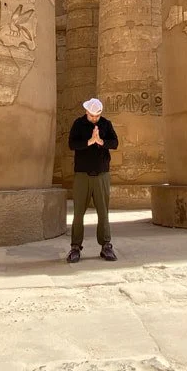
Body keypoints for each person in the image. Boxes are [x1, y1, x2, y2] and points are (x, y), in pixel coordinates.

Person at [66, 98, 118, 263]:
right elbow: (72, 144)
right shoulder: (78, 124)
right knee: (78, 213)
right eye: (92, 115)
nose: (95, 118)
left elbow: (115, 142)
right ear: (86, 112)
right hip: (82, 174)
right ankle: (75, 247)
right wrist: (89, 141)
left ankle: (106, 245)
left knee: (103, 212)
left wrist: (101, 141)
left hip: (102, 173)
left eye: (97, 115)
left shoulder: (106, 124)